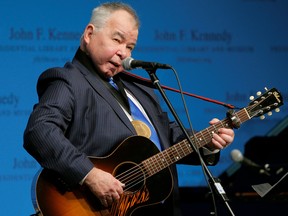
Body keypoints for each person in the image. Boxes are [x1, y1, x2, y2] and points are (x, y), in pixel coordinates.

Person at [23, 2, 235, 216]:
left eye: (130, 47)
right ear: (89, 34)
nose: (123, 53)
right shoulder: (68, 80)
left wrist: (207, 143)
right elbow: (40, 131)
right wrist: (89, 174)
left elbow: (167, 136)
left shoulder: (141, 88)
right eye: (117, 40)